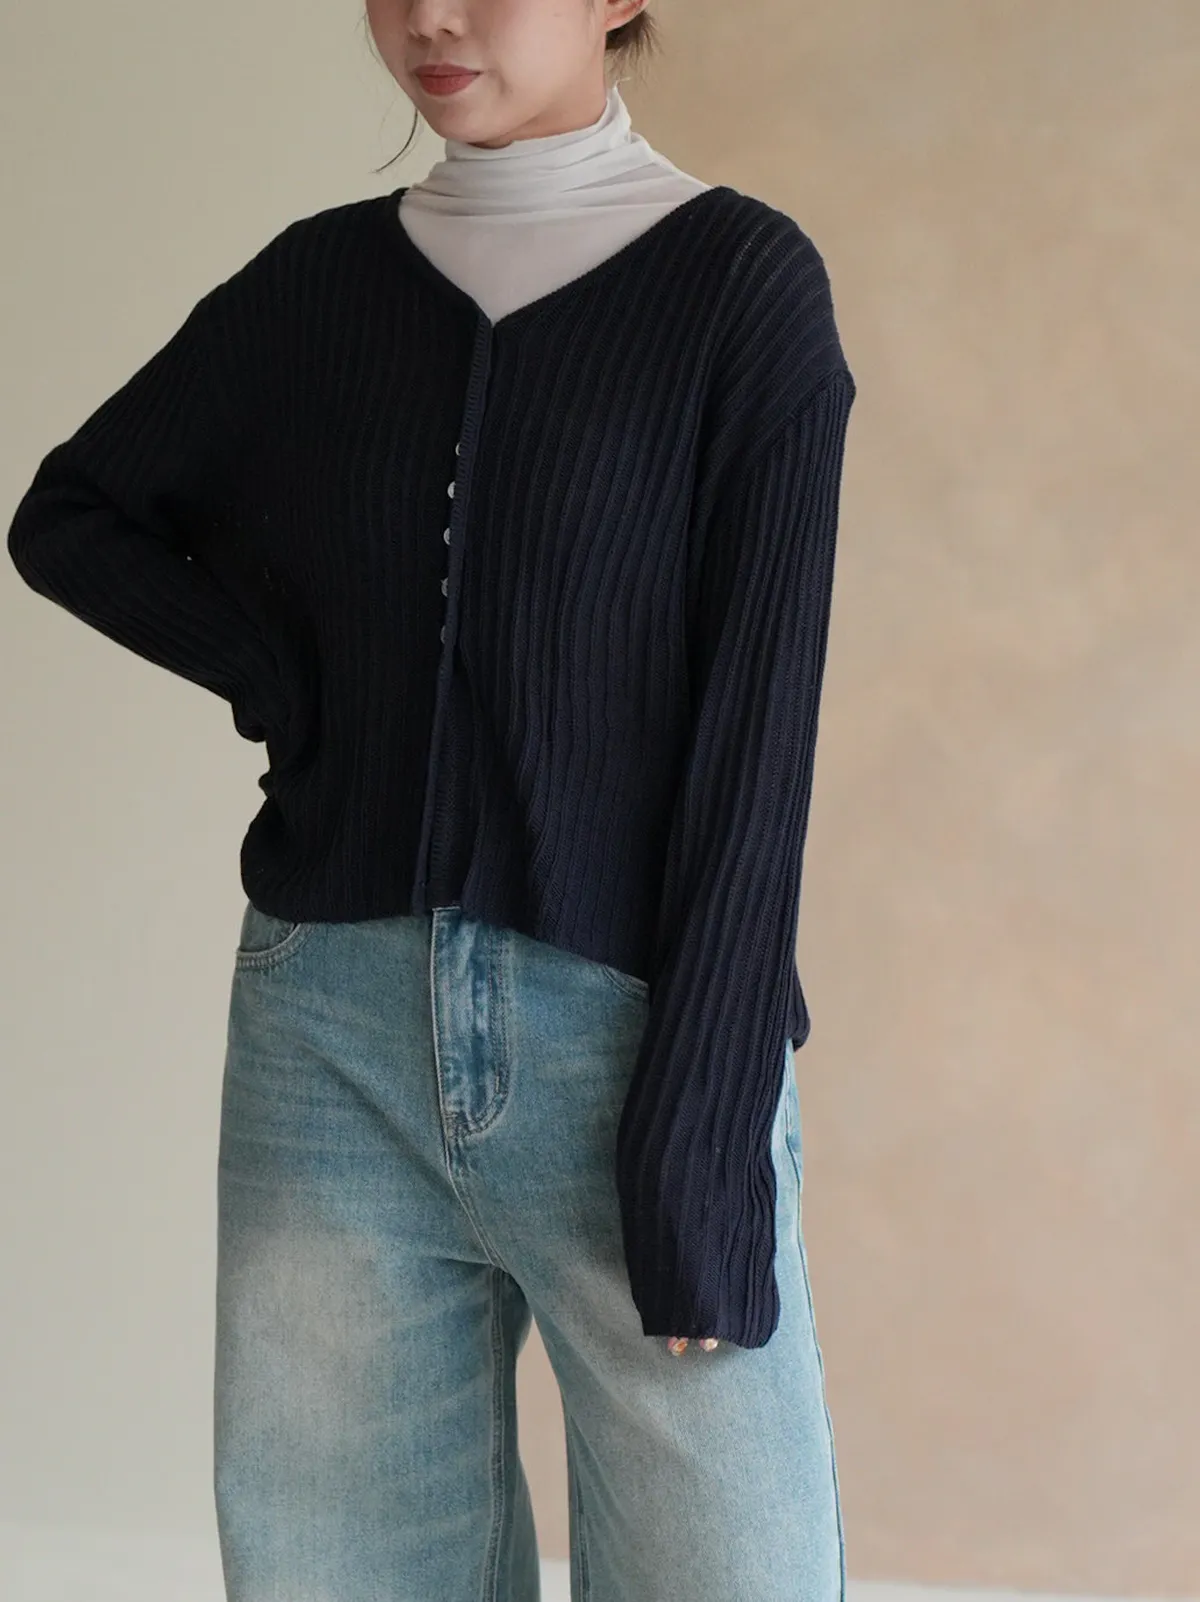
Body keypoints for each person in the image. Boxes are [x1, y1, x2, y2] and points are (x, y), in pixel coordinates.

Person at [6, 1, 855, 1595]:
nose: (430, 16)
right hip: (328, 1043)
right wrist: (286, 676)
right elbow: (76, 513)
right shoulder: (316, 284)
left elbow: (758, 753)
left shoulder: (740, 287)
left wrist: (700, 1136)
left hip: (629, 1045)